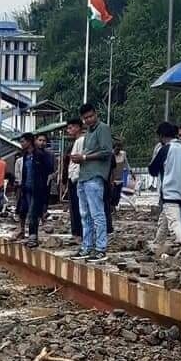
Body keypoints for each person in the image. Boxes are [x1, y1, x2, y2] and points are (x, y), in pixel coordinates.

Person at [71, 102, 113, 261]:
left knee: (97, 214)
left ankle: (101, 248)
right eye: (85, 118)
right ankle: (87, 246)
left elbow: (106, 151)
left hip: (95, 177)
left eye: (90, 116)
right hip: (84, 176)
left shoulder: (103, 128)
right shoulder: (88, 132)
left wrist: (85, 157)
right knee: (85, 214)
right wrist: (81, 158)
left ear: (96, 114)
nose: (89, 120)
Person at [149, 122, 181, 258]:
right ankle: (157, 244)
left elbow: (153, 170)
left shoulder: (166, 149)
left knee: (174, 222)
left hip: (170, 191)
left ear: (162, 136)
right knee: (164, 218)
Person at [15, 132, 54, 247]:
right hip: (26, 188)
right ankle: (24, 232)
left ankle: (33, 237)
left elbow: (49, 170)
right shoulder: (25, 155)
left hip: (37, 189)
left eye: (23, 141)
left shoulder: (41, 155)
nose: (21, 144)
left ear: (29, 142)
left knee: (33, 213)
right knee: (23, 211)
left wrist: (44, 186)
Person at [65, 118, 84, 240]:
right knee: (74, 206)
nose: (68, 131)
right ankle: (77, 231)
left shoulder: (81, 141)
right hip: (73, 177)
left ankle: (79, 232)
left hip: (77, 178)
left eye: (70, 127)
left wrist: (75, 176)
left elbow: (79, 161)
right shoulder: (75, 142)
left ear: (77, 127)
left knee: (78, 206)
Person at [111, 140, 128, 209]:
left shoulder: (123, 154)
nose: (118, 151)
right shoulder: (110, 155)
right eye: (116, 149)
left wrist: (131, 172)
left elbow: (126, 163)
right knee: (112, 195)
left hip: (120, 178)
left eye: (119, 149)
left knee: (117, 196)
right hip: (112, 179)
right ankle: (111, 209)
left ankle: (114, 208)